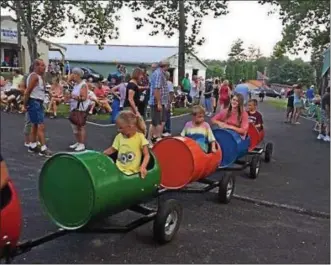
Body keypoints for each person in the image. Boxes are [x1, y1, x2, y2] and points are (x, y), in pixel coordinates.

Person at [103, 111, 149, 178]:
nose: (118, 130)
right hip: (118, 171)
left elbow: (147, 155)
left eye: (121, 128)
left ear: (130, 126)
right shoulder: (119, 137)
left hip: (132, 174)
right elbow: (112, 149)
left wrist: (143, 167)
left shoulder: (140, 137)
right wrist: (101, 154)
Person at [23, 59, 52, 157]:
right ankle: (43, 148)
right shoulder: (34, 77)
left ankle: (33, 145)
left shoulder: (39, 77)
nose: (44, 67)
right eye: (42, 65)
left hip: (37, 102)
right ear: (36, 66)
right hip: (34, 102)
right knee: (40, 125)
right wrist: (24, 104)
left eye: (44, 65)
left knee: (35, 125)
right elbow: (27, 91)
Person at [68, 68, 89, 152]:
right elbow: (68, 82)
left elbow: (84, 98)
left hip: (80, 109)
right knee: (74, 126)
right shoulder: (76, 84)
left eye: (73, 74)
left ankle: (82, 143)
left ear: (78, 75)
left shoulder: (83, 85)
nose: (72, 75)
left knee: (80, 126)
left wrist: (73, 97)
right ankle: (78, 141)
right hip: (74, 108)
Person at [148, 61, 169, 143]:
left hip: (161, 101)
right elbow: (157, 89)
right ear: (166, 66)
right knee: (157, 122)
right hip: (156, 102)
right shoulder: (159, 74)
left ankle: (154, 139)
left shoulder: (160, 73)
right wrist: (159, 103)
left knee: (159, 121)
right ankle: (156, 139)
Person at [163, 71, 174, 137]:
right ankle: (164, 129)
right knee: (163, 117)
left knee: (167, 116)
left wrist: (169, 103)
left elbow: (171, 93)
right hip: (162, 102)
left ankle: (168, 130)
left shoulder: (169, 83)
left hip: (166, 102)